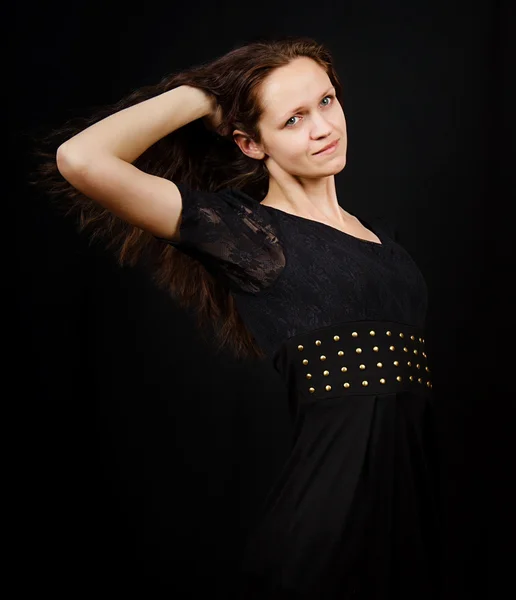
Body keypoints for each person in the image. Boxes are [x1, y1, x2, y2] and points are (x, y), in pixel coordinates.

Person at [32, 37, 443, 599]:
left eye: (326, 102)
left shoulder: (381, 240)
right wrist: (205, 94)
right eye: (293, 118)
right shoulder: (247, 237)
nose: (322, 128)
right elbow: (79, 160)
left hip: (412, 511)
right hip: (331, 521)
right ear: (251, 143)